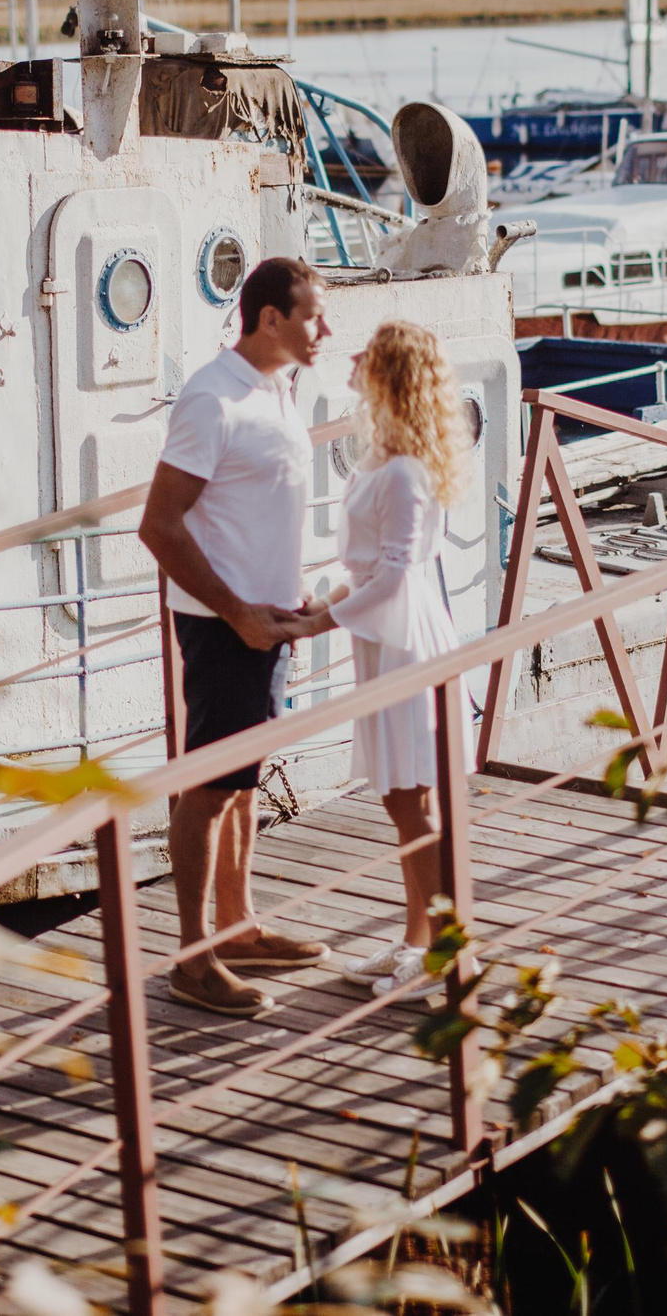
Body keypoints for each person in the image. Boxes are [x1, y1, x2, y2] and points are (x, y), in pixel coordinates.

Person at [138, 256, 334, 1017]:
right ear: (270, 319)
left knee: (244, 785)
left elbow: (258, 506)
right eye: (313, 315)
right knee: (211, 787)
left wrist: (291, 592)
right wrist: (238, 612)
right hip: (225, 626)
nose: (324, 329)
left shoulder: (278, 389)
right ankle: (192, 958)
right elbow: (160, 524)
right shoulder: (212, 398)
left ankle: (238, 925)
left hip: (271, 617)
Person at [290, 320, 466, 996]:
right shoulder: (383, 459)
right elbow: (371, 569)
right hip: (382, 635)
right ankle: (418, 941)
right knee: (401, 800)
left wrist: (318, 622)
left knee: (410, 798)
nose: (354, 356)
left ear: (390, 374)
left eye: (368, 353)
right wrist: (331, 599)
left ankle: (449, 955)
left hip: (403, 640)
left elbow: (394, 578)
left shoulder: (403, 472)